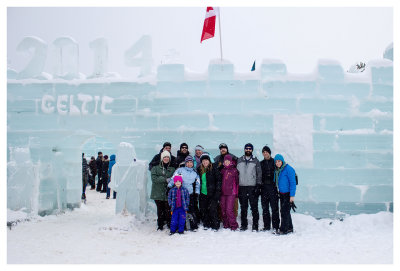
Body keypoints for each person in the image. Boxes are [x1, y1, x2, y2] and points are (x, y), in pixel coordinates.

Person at [168, 155, 200, 231]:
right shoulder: (180, 170)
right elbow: (174, 178)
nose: (189, 164)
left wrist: (196, 193)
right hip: (181, 194)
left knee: (191, 210)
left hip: (190, 194)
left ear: (193, 163)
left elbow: (198, 183)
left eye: (191, 162)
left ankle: (193, 225)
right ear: (185, 163)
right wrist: (169, 186)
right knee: (181, 210)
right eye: (188, 162)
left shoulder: (194, 172)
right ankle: (182, 226)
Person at [236, 143, 262, 231]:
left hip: (252, 187)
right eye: (246, 148)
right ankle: (244, 225)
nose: (248, 150)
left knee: (254, 207)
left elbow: (259, 174)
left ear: (252, 150)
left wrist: (258, 185)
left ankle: (255, 226)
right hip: (242, 187)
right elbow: (236, 173)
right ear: (244, 149)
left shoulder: (255, 161)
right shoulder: (239, 160)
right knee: (243, 207)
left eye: (249, 149)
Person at [150, 150, 175, 231]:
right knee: (160, 210)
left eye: (167, 157)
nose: (166, 158)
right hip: (157, 192)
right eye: (164, 157)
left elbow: (174, 179)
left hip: (168, 193)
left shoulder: (172, 169)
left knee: (168, 209)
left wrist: (170, 180)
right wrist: (165, 179)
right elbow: (154, 179)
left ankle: (168, 223)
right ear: (162, 158)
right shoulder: (155, 168)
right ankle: (160, 225)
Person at [198, 153, 222, 231]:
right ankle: (206, 224)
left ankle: (215, 225)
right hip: (203, 193)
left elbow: (219, 181)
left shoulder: (214, 169)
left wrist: (217, 192)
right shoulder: (199, 169)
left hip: (212, 193)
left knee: (213, 209)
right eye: (203, 161)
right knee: (204, 209)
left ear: (209, 161)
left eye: (206, 160)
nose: (205, 162)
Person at [274, 154, 296, 235]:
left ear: (282, 161)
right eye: (276, 162)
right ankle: (290, 227)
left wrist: (292, 196)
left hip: (288, 194)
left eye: (279, 161)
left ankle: (283, 229)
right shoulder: (278, 170)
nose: (277, 163)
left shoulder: (289, 169)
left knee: (284, 211)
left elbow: (293, 183)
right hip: (282, 194)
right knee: (285, 211)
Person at [260, 146, 280, 233]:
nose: (265, 153)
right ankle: (266, 226)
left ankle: (276, 227)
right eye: (263, 152)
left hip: (273, 188)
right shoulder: (261, 163)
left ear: (269, 153)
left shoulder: (274, 162)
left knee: (274, 208)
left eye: (266, 152)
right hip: (264, 188)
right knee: (265, 208)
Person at [220, 154, 239, 231]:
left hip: (231, 192)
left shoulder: (234, 170)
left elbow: (237, 182)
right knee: (223, 209)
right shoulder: (222, 170)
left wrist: (236, 192)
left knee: (229, 210)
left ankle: (233, 225)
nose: (227, 162)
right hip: (223, 193)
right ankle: (226, 224)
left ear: (231, 161)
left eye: (228, 160)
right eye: (225, 161)